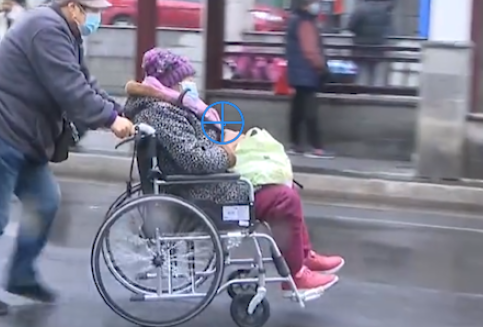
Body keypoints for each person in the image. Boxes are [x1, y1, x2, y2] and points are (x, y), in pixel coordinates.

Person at [0, 0, 134, 316]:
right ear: (72, 7)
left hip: (23, 135)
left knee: (45, 201)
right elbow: (70, 89)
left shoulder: (66, 32)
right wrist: (110, 121)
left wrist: (119, 111)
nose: (98, 17)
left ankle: (21, 275)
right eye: (92, 10)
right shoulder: (46, 29)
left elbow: (85, 83)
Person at [123, 48, 344, 297]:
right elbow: (194, 159)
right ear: (169, 80)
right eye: (183, 79)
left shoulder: (165, 105)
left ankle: (303, 255)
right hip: (201, 192)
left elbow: (193, 147)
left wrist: (223, 140)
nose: (188, 84)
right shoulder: (160, 112)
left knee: (284, 182)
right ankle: (296, 275)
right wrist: (228, 150)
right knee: (285, 198)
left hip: (201, 184)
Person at [285, 0, 328, 158]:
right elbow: (310, 50)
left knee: (297, 109)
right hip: (307, 72)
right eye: (310, 2)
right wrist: (322, 67)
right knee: (310, 110)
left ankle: (296, 144)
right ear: (305, 4)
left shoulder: (294, 20)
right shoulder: (305, 22)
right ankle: (316, 146)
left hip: (297, 72)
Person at [347, 0, 391, 86]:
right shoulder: (384, 9)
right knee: (377, 77)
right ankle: (376, 97)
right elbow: (388, 26)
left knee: (362, 76)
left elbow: (350, 26)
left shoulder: (360, 9)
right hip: (379, 47)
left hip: (361, 48)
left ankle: (362, 97)